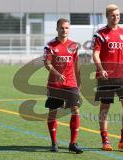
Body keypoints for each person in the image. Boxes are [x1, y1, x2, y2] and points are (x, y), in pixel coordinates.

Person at [92, 4, 123, 152]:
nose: (116, 17)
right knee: (105, 108)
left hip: (122, 76)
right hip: (106, 77)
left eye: (118, 15)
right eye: (113, 15)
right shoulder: (100, 34)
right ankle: (105, 141)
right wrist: (101, 69)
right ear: (107, 16)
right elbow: (95, 54)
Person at [43, 18, 83, 154]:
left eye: (66, 28)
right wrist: (56, 73)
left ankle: (73, 143)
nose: (64, 30)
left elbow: (77, 65)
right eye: (61, 28)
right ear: (57, 29)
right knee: (53, 112)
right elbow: (47, 64)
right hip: (55, 84)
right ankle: (54, 142)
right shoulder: (50, 46)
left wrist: (79, 83)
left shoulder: (74, 46)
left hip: (70, 83)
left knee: (76, 110)